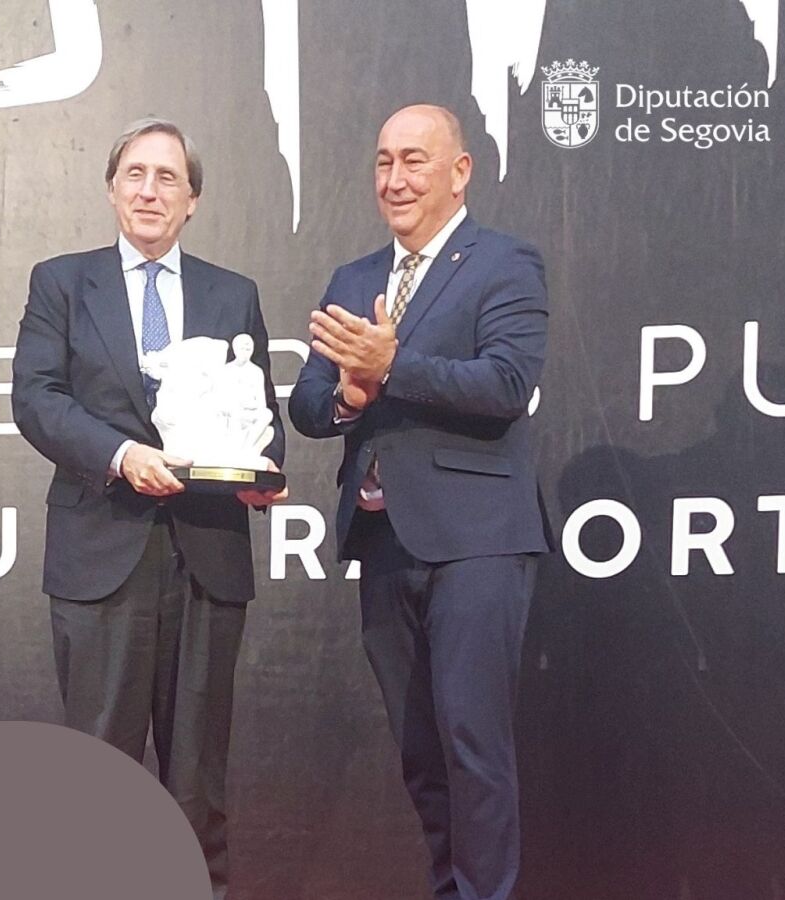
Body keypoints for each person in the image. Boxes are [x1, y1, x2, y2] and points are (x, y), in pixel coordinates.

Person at [11, 117, 287, 900]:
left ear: (192, 200)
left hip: (206, 559)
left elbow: (258, 414)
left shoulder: (233, 294)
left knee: (198, 783)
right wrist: (121, 455)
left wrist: (265, 472)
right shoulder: (62, 283)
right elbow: (36, 398)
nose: (149, 191)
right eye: (135, 174)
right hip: (103, 554)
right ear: (111, 189)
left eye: (168, 178)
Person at [288, 104, 550, 900]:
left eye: (414, 160)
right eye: (383, 162)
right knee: (422, 756)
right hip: (382, 543)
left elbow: (507, 384)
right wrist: (349, 392)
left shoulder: (504, 262)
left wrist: (392, 367)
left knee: (473, 748)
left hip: (477, 542)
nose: (395, 179)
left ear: (460, 172)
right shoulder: (354, 279)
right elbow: (307, 404)